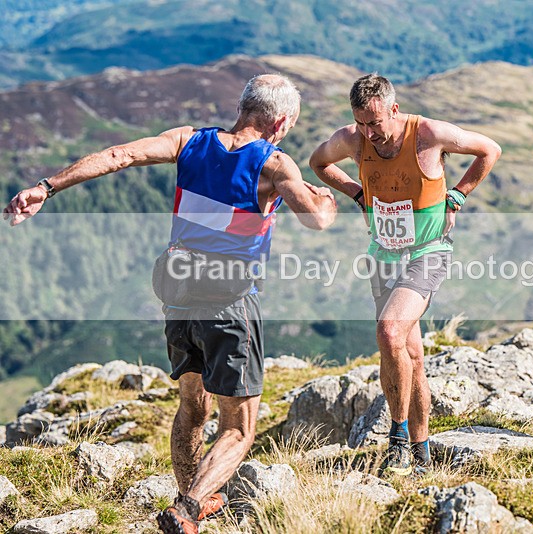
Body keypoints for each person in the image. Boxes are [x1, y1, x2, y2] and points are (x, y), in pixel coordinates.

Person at [3, 74, 337, 534]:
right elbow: (316, 218)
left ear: (243, 106)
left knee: (193, 408)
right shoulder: (274, 165)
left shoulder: (188, 141)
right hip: (229, 304)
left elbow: (120, 156)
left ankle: (187, 507)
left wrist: (46, 186)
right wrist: (326, 197)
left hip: (178, 298)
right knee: (238, 429)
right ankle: (188, 507)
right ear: (280, 122)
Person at [309, 74, 501, 476]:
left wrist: (458, 195)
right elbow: (318, 163)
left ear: (394, 110)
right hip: (383, 254)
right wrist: (357, 193)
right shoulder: (353, 139)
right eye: (361, 122)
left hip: (427, 251)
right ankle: (421, 451)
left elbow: (490, 149)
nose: (369, 133)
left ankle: (395, 437)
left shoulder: (428, 133)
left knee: (389, 331)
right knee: (407, 354)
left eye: (376, 123)